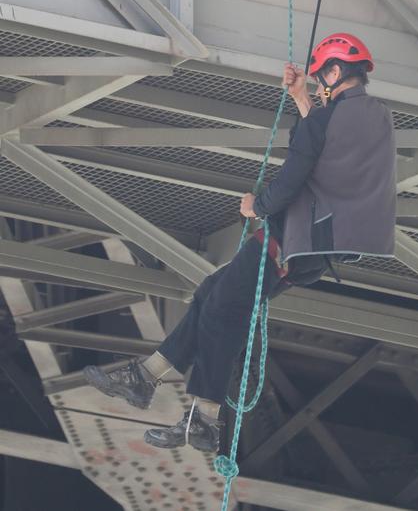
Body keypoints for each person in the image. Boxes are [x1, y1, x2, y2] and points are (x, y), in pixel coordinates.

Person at [83, 33, 396, 453]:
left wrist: (257, 205)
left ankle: (203, 418)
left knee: (224, 307)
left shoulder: (325, 121)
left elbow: (293, 179)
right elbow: (328, 151)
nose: (321, 86)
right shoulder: (377, 119)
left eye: (322, 77)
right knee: (214, 291)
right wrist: (303, 97)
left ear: (336, 71)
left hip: (289, 240)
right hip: (317, 250)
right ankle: (147, 377)